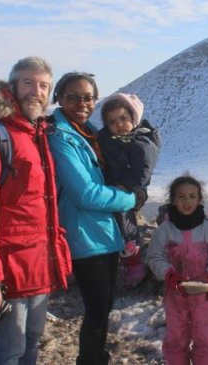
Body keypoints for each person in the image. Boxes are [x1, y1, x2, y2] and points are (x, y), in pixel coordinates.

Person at [0, 56, 72, 365]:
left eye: (44, 85)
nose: (37, 91)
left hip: (38, 265)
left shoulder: (36, 134)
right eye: (28, 82)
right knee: (9, 352)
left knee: (31, 343)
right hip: (8, 270)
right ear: (12, 86)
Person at [47, 72, 137, 365]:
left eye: (87, 97)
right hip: (85, 237)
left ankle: (98, 357)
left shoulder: (87, 132)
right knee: (97, 310)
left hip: (102, 235)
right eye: (73, 97)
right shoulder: (61, 136)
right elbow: (85, 193)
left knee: (103, 308)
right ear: (58, 98)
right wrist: (131, 199)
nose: (81, 103)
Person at [146, 175, 208, 365]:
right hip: (175, 293)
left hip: (205, 295)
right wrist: (169, 274)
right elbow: (154, 256)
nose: (187, 201)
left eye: (192, 196)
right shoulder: (165, 230)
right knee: (176, 338)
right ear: (173, 200)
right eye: (181, 196)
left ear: (200, 199)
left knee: (205, 337)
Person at [98, 93, 161, 287]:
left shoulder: (142, 142)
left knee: (125, 216)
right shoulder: (108, 138)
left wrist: (127, 186)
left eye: (124, 118)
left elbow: (142, 171)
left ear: (133, 117)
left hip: (134, 189)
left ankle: (132, 257)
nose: (119, 124)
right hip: (113, 187)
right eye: (112, 121)